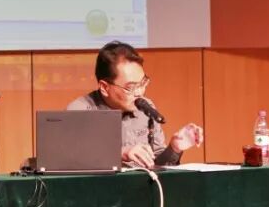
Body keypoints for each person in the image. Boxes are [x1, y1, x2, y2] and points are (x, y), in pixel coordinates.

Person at [68, 40, 204, 168]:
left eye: (143, 83)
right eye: (131, 87)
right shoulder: (79, 112)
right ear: (104, 87)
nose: (140, 92)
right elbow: (70, 160)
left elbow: (157, 166)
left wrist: (174, 148)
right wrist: (120, 153)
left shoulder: (146, 108)